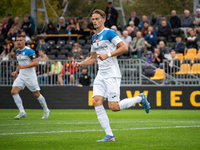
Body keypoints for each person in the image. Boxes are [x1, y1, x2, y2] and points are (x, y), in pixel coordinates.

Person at [74, 9, 150, 142]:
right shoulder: (94, 37)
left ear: (103, 20)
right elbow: (93, 58)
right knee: (96, 102)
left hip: (112, 74)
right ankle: (110, 135)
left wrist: (107, 54)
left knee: (114, 107)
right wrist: (80, 64)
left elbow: (124, 48)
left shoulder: (109, 33)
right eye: (93, 19)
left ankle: (140, 98)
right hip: (101, 75)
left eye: (97, 19)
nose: (95, 21)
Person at [11, 34, 50, 120]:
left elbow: (35, 63)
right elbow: (20, 65)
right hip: (21, 75)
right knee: (14, 91)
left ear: (24, 41)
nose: (19, 42)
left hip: (30, 76)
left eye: (21, 40)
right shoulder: (17, 51)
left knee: (36, 94)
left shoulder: (29, 51)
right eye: (17, 40)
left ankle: (46, 110)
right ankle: (22, 112)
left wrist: (23, 67)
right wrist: (16, 71)